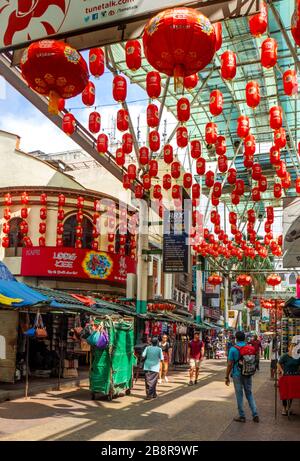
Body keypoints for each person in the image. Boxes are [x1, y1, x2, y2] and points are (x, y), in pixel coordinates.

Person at [225, 331, 259, 423]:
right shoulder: (250, 347)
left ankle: (242, 416)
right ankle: (255, 413)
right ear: (244, 338)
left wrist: (227, 376)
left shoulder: (233, 349)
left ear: (236, 338)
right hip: (248, 373)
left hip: (237, 374)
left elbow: (229, 364)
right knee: (249, 393)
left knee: (239, 395)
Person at [277, 338, 300, 416]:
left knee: (291, 393)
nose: (293, 348)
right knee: (284, 393)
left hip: (294, 377)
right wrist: (281, 370)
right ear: (289, 347)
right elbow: (278, 363)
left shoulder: (298, 357)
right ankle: (284, 408)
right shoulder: (285, 356)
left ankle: (288, 408)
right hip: (286, 376)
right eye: (292, 346)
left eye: (295, 347)